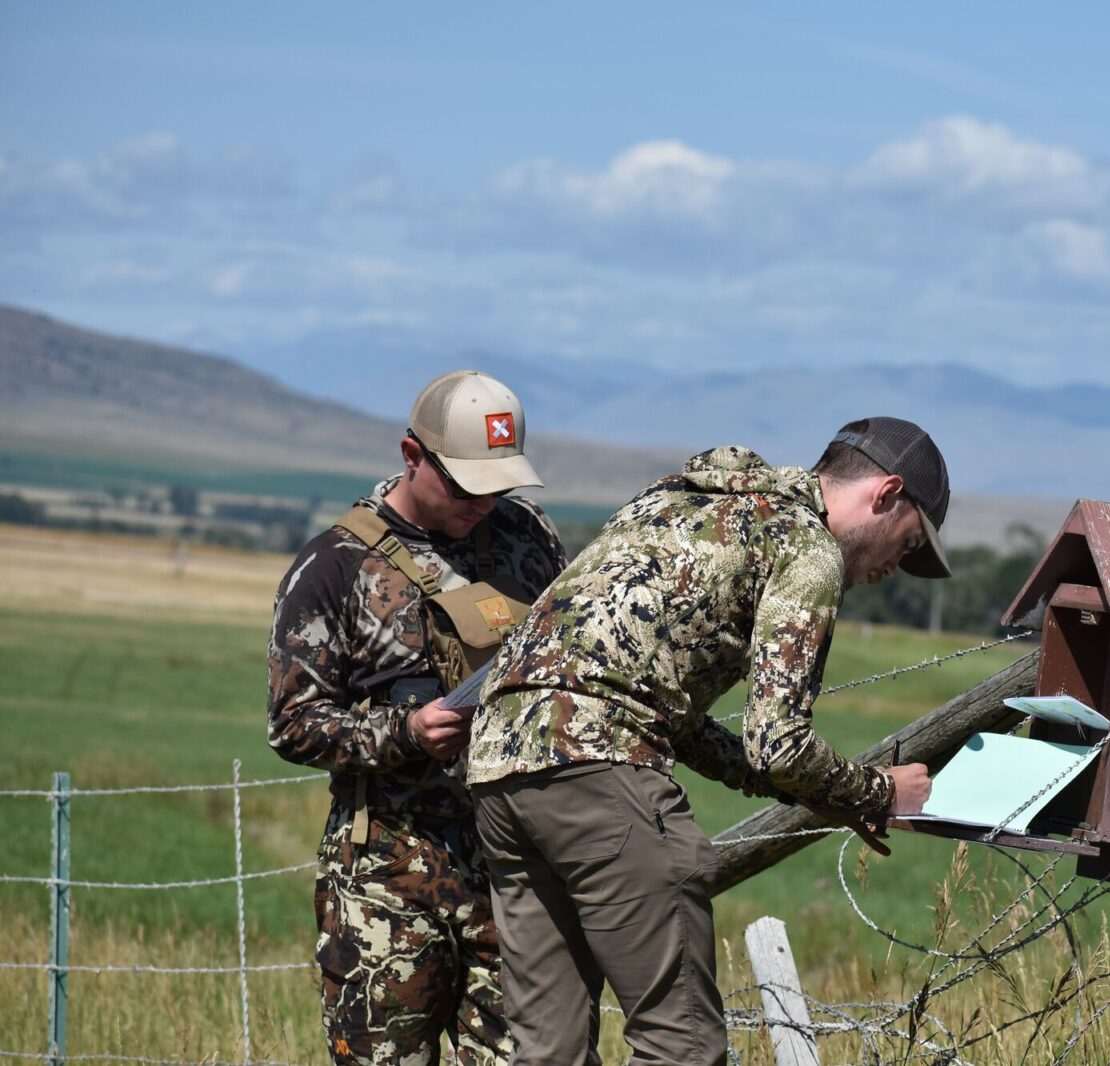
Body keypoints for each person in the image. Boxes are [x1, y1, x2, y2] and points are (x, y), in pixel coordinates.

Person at [469, 416, 951, 1066]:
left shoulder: (684, 499)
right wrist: (878, 791)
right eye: (910, 541)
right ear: (886, 493)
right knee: (683, 1047)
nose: (899, 567)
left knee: (546, 1053)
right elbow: (778, 742)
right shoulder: (807, 549)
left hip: (500, 762)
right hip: (600, 761)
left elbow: (660, 702)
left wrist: (829, 796)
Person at [268, 370, 568, 1066]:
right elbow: (292, 723)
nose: (484, 503)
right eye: (465, 485)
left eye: (500, 484)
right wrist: (406, 732)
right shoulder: (333, 568)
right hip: (387, 882)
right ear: (412, 456)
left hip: (516, 866)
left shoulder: (528, 538)